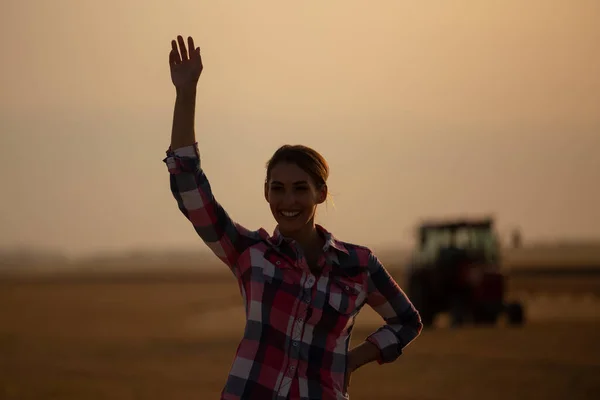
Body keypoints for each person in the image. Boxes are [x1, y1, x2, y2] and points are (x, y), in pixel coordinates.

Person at [164, 35, 423, 400]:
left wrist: (352, 361)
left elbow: (407, 321)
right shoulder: (250, 253)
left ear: (321, 193)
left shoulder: (359, 265)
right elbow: (190, 188)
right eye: (278, 188)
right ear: (266, 192)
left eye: (300, 189)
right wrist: (186, 93)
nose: (288, 201)